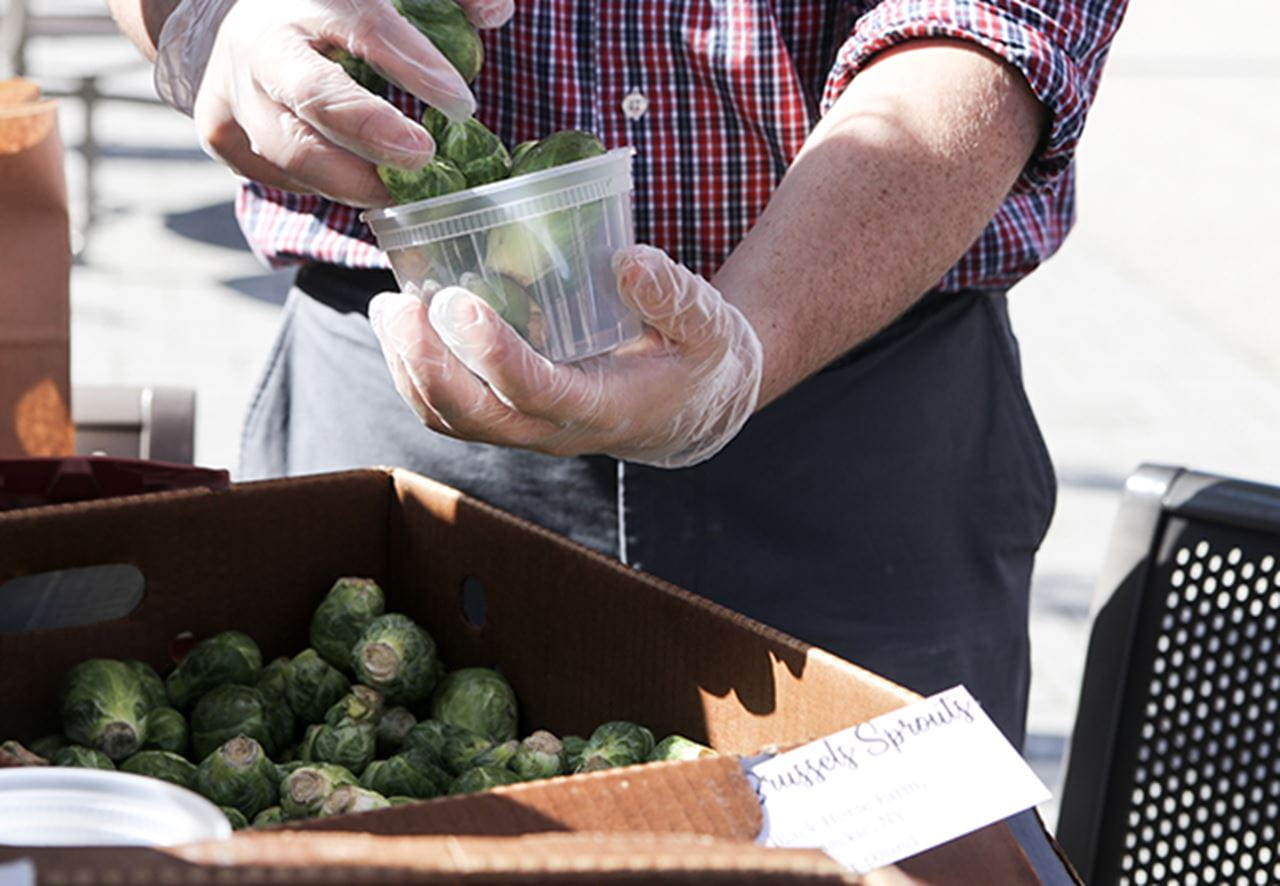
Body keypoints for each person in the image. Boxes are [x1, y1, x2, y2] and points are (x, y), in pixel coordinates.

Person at [107, 0, 1128, 749]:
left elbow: (986, 24)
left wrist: (751, 340)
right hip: (403, 381)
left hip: (853, 405)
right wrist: (205, 25)